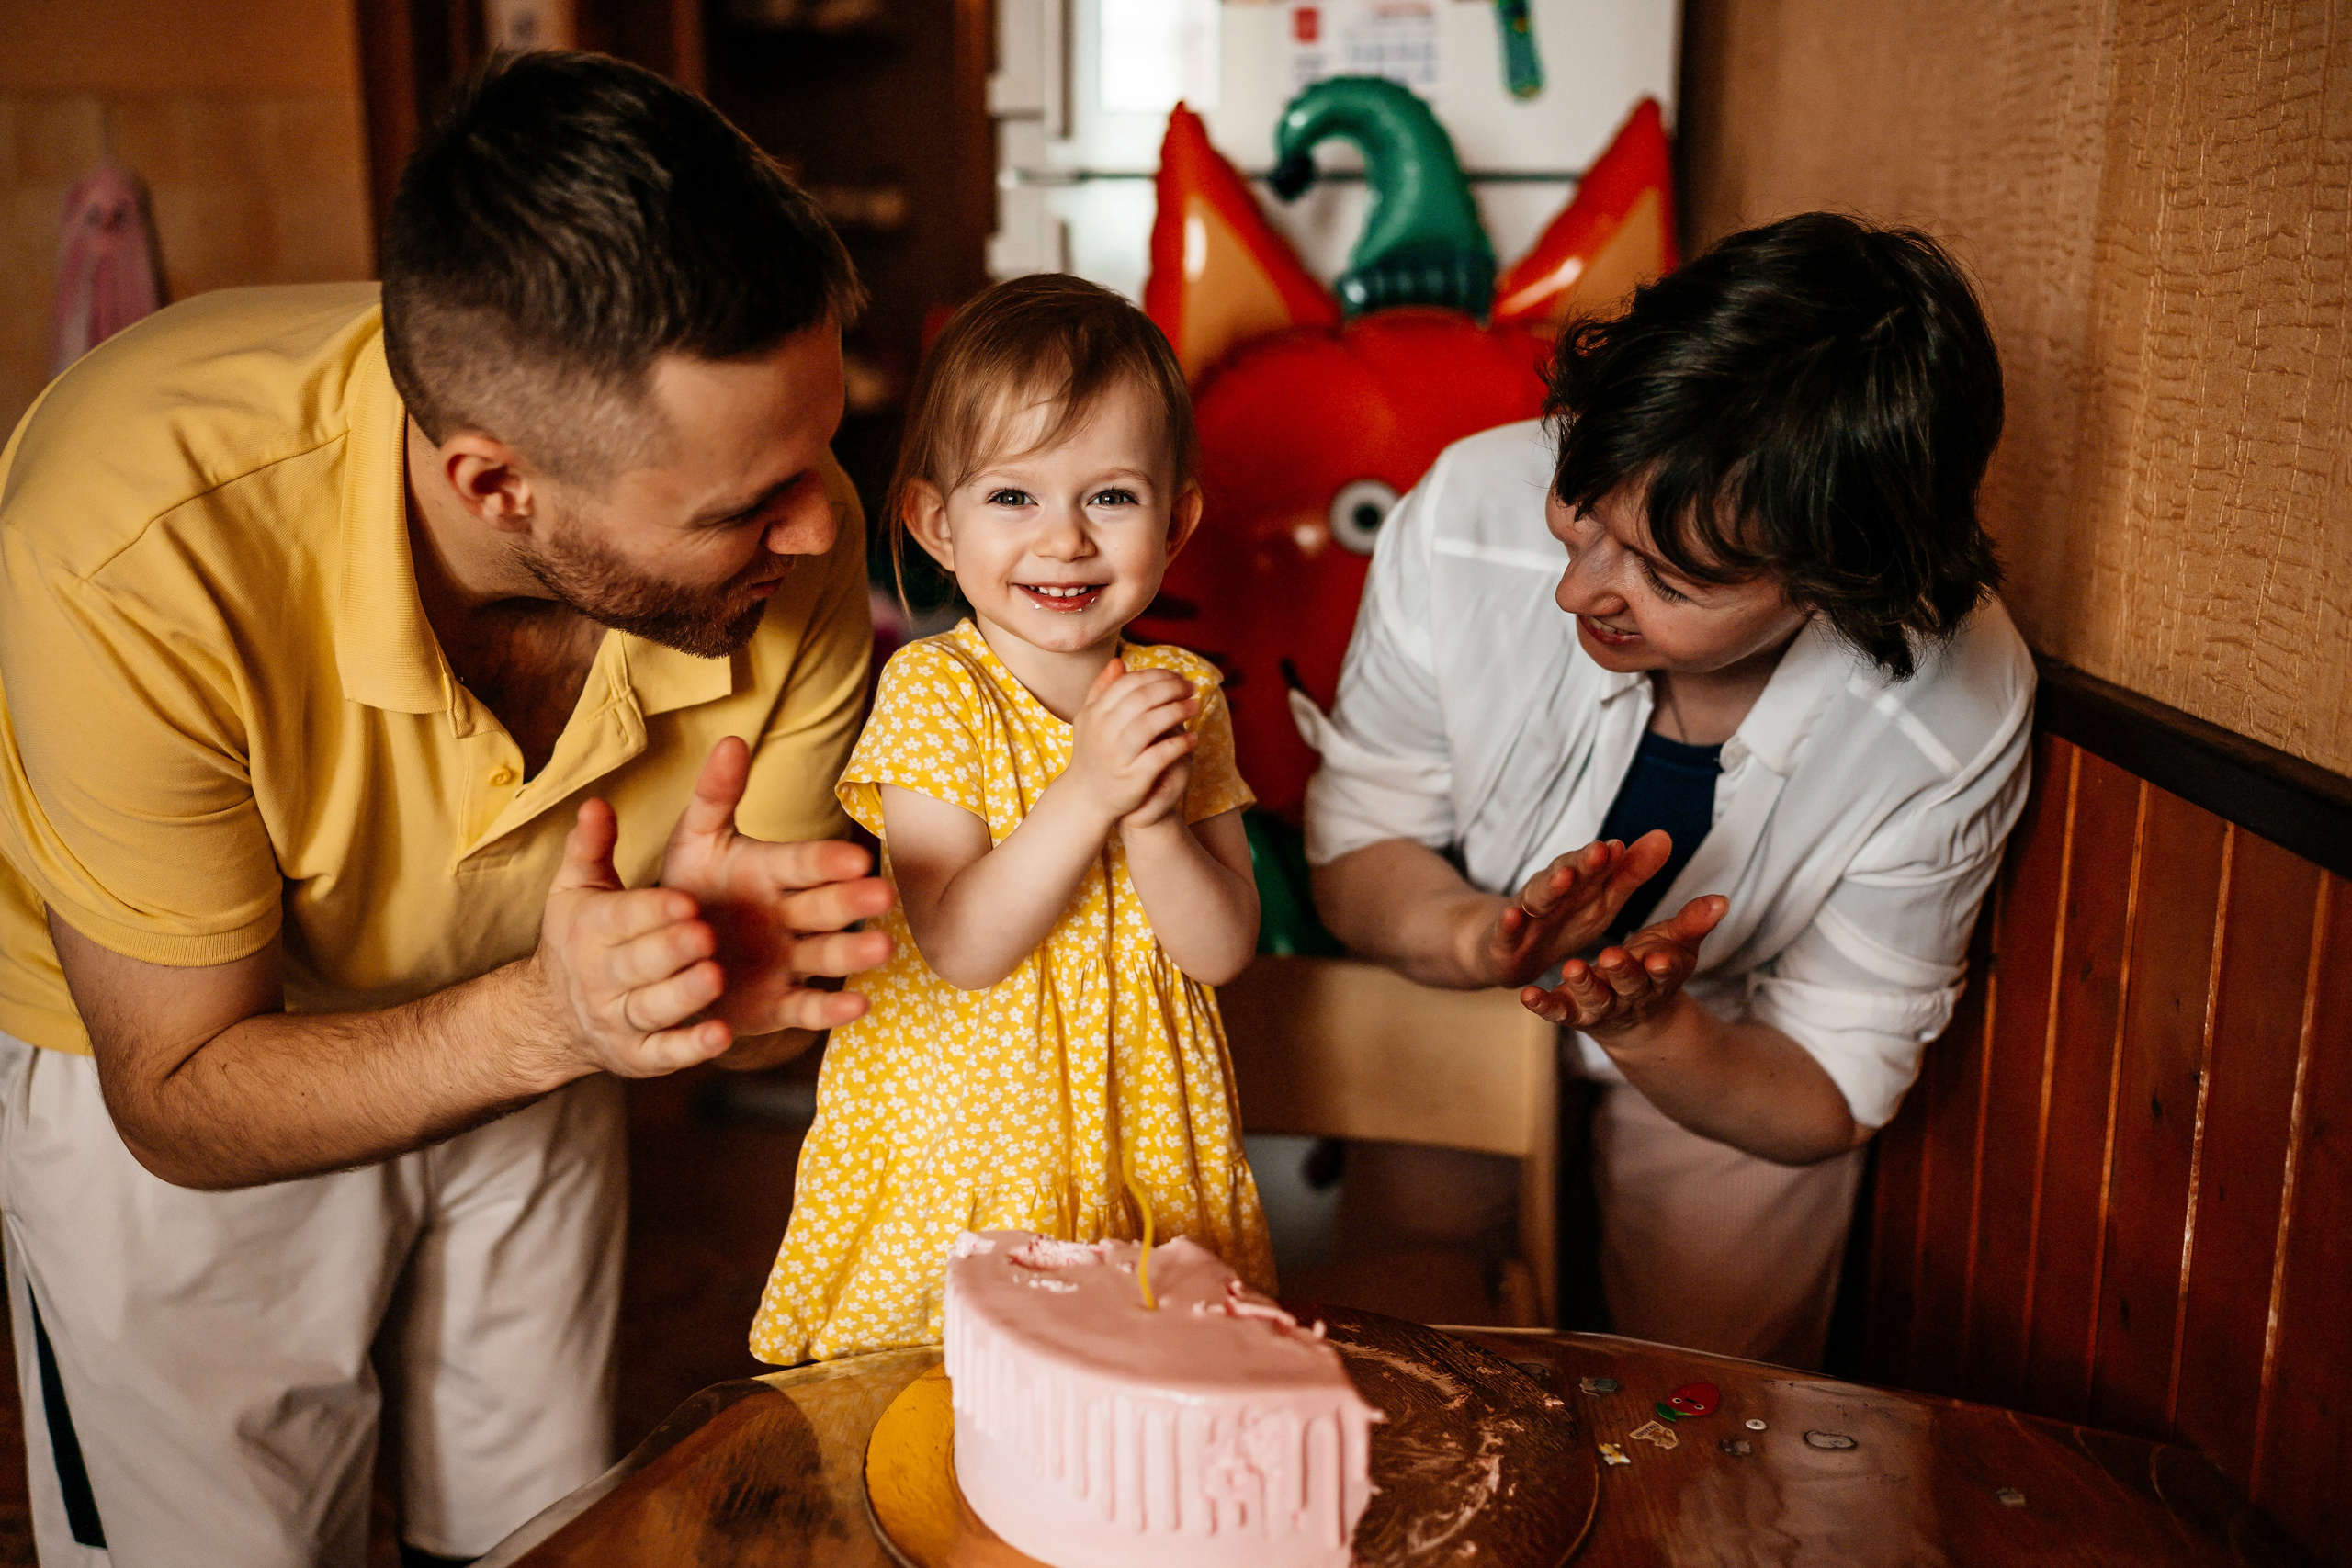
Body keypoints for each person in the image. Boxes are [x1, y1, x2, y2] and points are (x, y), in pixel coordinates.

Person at [0, 52, 896, 1567]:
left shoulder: (789, 532)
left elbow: (729, 1010)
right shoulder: (128, 538)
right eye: (741, 504)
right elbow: (175, 1096)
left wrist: (723, 994)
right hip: (211, 1060)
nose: (816, 531)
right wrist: (560, 1018)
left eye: (817, 454)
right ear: (496, 485)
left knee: (548, 1531)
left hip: (552, 1031)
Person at [1300, 214, 2034, 1367]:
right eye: (1583, 507)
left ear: (1837, 585)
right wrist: (1476, 937)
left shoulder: (1949, 704)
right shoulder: (1469, 514)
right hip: (1442, 975)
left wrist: (1653, 1027)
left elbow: (1830, 1084)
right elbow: (1358, 852)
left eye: (1668, 574)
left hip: (1739, 1046)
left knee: (1703, 1413)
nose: (1578, 590)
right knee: (1412, 1361)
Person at [750, 276, 1271, 1365]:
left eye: (1111, 498)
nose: (1065, 540)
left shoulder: (1182, 694)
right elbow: (961, 942)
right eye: (1013, 498)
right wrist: (1087, 794)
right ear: (936, 524)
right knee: (950, 1409)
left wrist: (1156, 823)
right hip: (974, 1138)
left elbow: (1221, 950)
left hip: (1142, 1131)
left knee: (1132, 1405)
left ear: (1174, 522)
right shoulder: (938, 693)